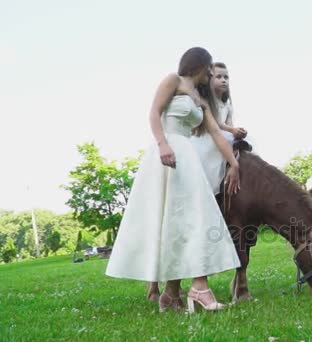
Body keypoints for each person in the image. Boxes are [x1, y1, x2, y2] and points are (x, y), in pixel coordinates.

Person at [105, 47, 241, 313]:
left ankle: (172, 294)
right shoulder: (173, 81)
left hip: (188, 159)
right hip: (167, 155)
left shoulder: (200, 98)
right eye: (210, 69)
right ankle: (195, 288)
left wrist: (234, 163)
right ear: (200, 65)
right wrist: (163, 144)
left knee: (189, 220)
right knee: (176, 219)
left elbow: (214, 131)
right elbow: (154, 113)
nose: (212, 75)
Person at [191, 62, 248, 195]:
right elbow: (216, 124)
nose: (223, 80)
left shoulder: (227, 105)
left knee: (241, 144)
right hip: (209, 136)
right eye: (219, 77)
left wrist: (236, 132)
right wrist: (230, 130)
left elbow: (229, 124)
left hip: (223, 135)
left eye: (226, 77)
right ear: (209, 79)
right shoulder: (207, 101)